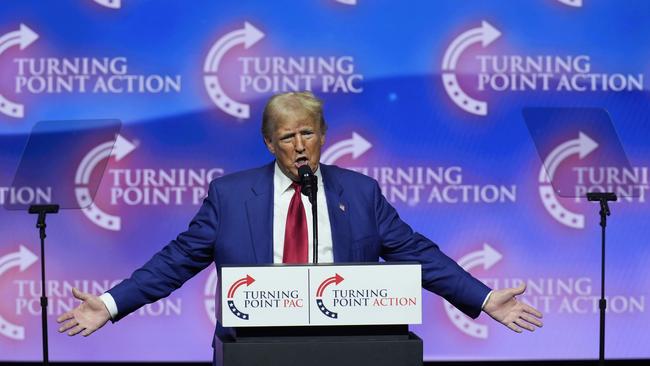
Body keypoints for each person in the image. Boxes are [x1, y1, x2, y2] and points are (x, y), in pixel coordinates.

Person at [57, 91, 542, 347]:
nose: (299, 146)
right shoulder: (229, 197)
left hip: (348, 347)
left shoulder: (360, 192)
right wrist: (109, 304)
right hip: (256, 347)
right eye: (287, 137)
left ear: (324, 136)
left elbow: (416, 253)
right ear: (269, 144)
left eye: (308, 133)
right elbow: (174, 262)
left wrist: (481, 297)